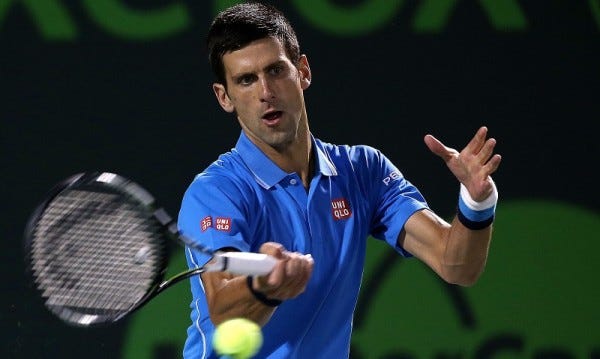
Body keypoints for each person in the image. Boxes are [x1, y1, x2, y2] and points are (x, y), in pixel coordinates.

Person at [177, 2, 501, 358]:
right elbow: (224, 308)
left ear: (303, 71)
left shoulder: (363, 171)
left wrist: (476, 202)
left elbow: (457, 266)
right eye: (246, 80)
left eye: (276, 70)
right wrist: (266, 286)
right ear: (225, 97)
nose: (265, 92)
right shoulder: (215, 192)